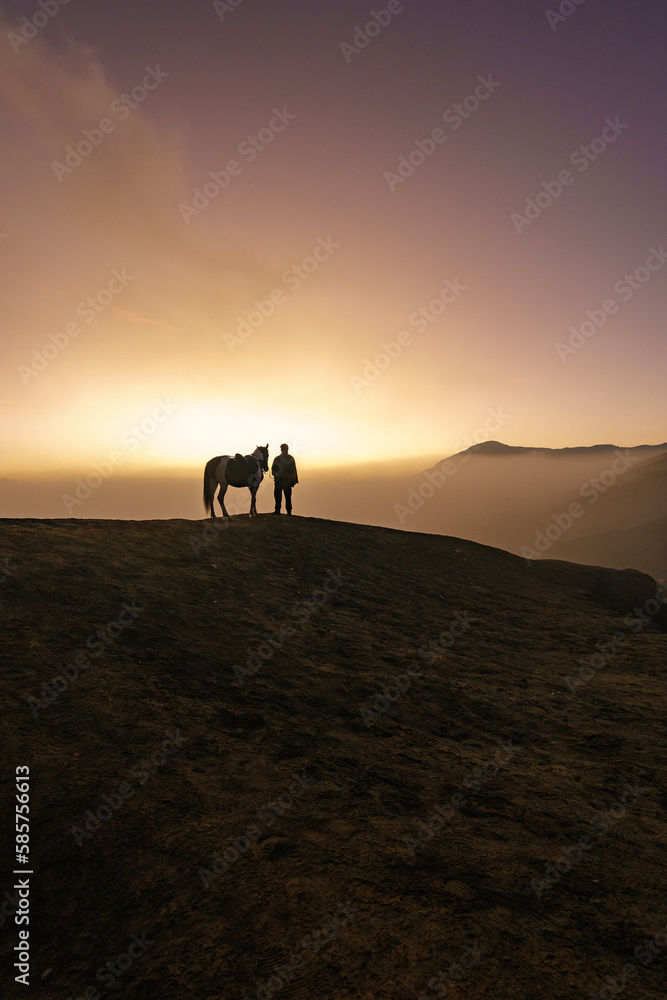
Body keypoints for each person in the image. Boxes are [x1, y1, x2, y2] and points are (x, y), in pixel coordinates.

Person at [271, 443, 298, 514]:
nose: (284, 450)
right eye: (283, 449)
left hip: (286, 481)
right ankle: (278, 510)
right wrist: (276, 474)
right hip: (280, 481)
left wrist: (291, 479)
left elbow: (293, 471)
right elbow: (273, 469)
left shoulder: (288, 459)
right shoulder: (279, 459)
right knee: (278, 496)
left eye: (284, 449)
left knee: (287, 496)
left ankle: (288, 511)